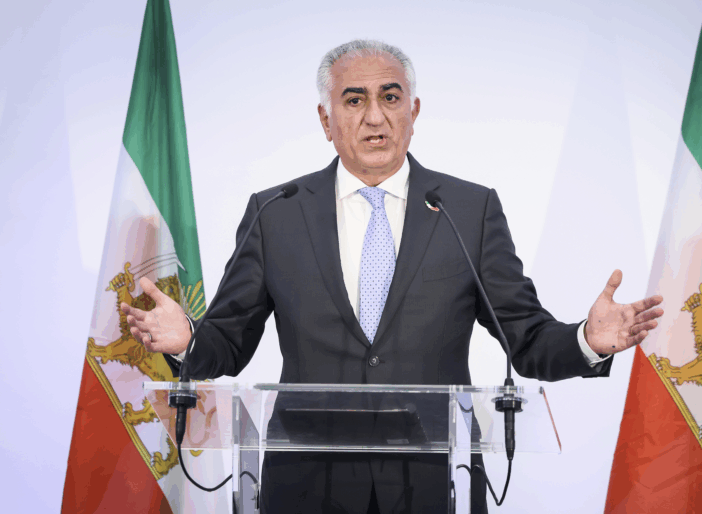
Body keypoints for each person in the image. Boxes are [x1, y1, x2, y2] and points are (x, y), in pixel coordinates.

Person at [121, 40, 664, 513]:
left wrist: (586, 341)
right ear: (325, 120)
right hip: (308, 481)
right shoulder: (276, 212)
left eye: (390, 96)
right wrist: (189, 338)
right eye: (354, 100)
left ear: (414, 109)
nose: (374, 116)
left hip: (434, 480)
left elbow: (525, 337)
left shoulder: (467, 210)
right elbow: (229, 340)